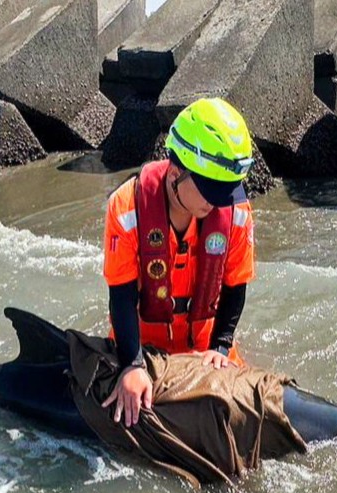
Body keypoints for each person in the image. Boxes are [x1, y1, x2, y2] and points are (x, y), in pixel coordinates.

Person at [101, 98, 258, 428]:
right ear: (176, 172)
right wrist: (131, 364)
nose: (217, 203)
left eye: (225, 191)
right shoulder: (126, 207)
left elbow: (235, 285)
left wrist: (220, 346)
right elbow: (122, 295)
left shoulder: (235, 213)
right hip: (142, 345)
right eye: (208, 190)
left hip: (206, 348)